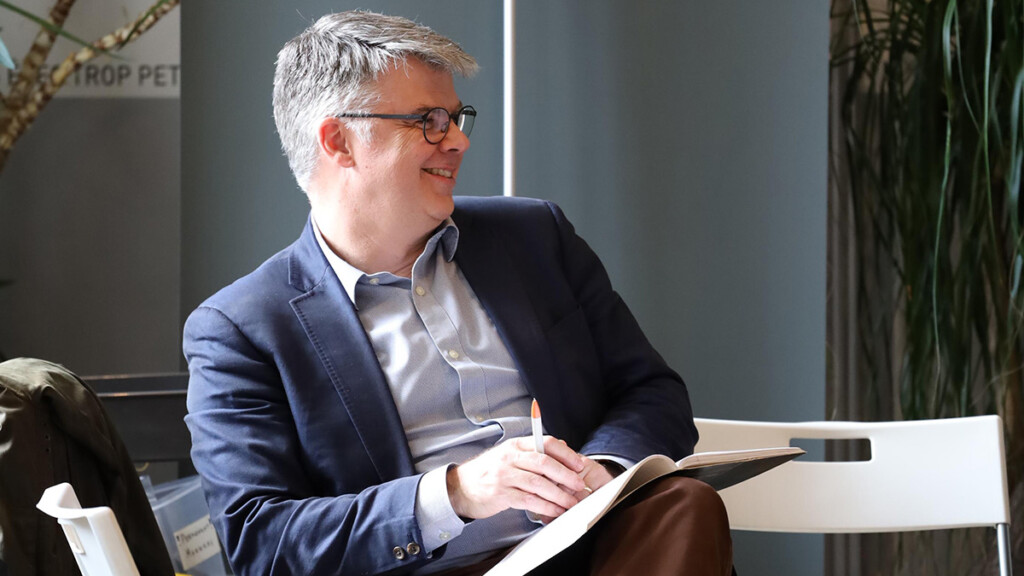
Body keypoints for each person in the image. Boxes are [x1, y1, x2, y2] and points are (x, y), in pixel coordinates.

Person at [183, 10, 733, 576]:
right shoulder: (241, 328)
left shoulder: (535, 237)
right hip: (431, 566)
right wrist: (457, 492)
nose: (459, 141)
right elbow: (260, 542)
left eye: (456, 117)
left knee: (683, 505)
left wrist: (602, 468)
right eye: (430, 120)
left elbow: (650, 389)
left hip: (601, 548)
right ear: (339, 141)